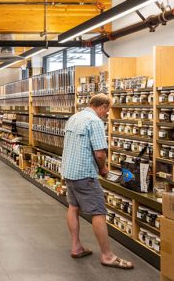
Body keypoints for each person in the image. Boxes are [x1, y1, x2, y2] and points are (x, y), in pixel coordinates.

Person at [62, 93, 133, 270]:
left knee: (73, 207)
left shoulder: (74, 117)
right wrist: (103, 169)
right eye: (107, 111)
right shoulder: (95, 121)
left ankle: (76, 246)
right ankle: (107, 256)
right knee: (98, 212)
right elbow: (100, 153)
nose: (106, 114)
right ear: (101, 107)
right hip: (85, 173)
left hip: (69, 171)